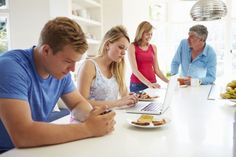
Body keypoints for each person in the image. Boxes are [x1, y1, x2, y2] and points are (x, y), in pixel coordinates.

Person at [0, 17, 115, 152]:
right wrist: (88, 129)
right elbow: (22, 134)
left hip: (31, 149)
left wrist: (91, 116)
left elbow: (78, 103)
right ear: (46, 51)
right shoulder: (10, 68)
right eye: (68, 61)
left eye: (75, 62)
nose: (72, 69)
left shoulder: (59, 72)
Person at [77, 25, 138, 108]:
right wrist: (118, 102)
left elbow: (124, 96)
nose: (124, 53)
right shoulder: (89, 65)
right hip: (90, 119)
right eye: (121, 47)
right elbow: (81, 104)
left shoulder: (117, 68)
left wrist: (131, 99)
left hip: (109, 117)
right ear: (107, 45)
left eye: (125, 50)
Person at [128, 21, 169, 93]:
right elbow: (135, 70)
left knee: (153, 104)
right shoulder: (132, 47)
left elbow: (157, 70)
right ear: (141, 33)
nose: (150, 36)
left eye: (151, 34)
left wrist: (169, 82)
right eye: (147, 34)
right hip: (137, 85)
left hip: (152, 84)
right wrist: (148, 84)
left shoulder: (153, 47)